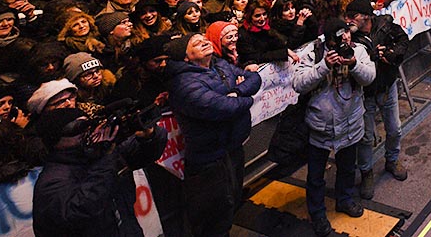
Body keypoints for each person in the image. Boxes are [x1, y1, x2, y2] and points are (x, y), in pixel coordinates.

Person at [165, 32, 262, 237]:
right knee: (215, 217)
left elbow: (254, 78)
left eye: (204, 39)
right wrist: (246, 100)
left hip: (231, 146)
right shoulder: (184, 83)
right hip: (209, 158)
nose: (204, 42)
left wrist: (236, 93)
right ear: (185, 57)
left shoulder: (219, 65)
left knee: (233, 200)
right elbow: (221, 107)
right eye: (196, 43)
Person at [290, 17, 376, 237]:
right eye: (339, 37)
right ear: (328, 40)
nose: (345, 38)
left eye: (346, 33)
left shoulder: (358, 50)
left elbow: (370, 77)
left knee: (348, 168)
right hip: (321, 125)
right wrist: (324, 66)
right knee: (316, 175)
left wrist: (353, 64)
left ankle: (344, 200)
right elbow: (298, 84)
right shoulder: (313, 53)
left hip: (351, 122)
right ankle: (317, 213)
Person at [31, 106, 167, 237]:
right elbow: (81, 211)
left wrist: (149, 136)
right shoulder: (51, 181)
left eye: (88, 126)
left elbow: (145, 155)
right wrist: (105, 158)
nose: (86, 132)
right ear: (56, 140)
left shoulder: (100, 154)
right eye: (78, 128)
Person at [348, 0, 410, 200]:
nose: (349, 20)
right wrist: (371, 56)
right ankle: (366, 173)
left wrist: (393, 54)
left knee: (394, 129)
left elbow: (403, 40)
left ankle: (392, 160)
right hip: (365, 94)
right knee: (365, 137)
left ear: (366, 16)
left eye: (353, 16)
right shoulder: (349, 37)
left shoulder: (386, 24)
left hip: (387, 86)